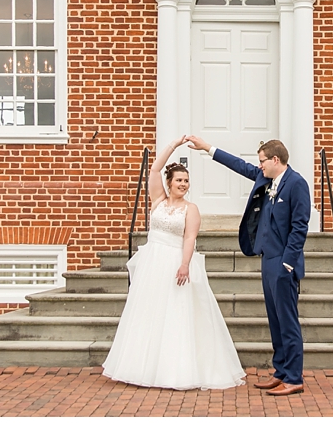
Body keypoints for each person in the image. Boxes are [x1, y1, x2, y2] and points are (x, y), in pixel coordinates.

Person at [102, 135, 246, 390]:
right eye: (179, 180)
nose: (183, 184)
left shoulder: (191, 209)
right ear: (169, 183)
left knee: (174, 315)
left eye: (186, 181)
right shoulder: (157, 200)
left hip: (173, 261)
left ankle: (173, 370)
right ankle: (141, 367)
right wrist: (173, 146)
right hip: (151, 262)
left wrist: (184, 264)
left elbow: (190, 238)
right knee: (147, 312)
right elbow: (155, 168)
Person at [185, 136, 310, 397]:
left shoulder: (296, 184)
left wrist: (288, 263)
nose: (259, 166)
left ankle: (294, 377)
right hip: (267, 259)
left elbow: (300, 226)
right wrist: (208, 149)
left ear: (276, 160)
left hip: (284, 263)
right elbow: (240, 166)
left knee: (288, 322)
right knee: (274, 321)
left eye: (263, 161)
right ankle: (281, 371)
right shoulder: (267, 178)